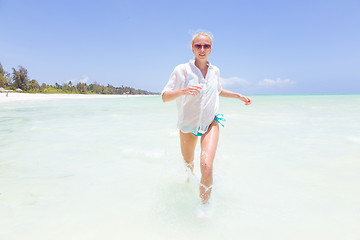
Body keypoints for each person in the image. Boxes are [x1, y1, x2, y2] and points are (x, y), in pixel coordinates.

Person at [161, 32, 252, 211]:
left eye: (206, 46)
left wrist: (238, 96)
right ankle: (189, 185)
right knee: (189, 166)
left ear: (211, 48)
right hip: (188, 125)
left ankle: (205, 207)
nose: (202, 49)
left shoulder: (215, 71)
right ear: (192, 48)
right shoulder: (182, 70)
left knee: (206, 164)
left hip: (211, 122)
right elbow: (165, 96)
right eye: (198, 46)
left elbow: (218, 90)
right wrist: (183, 91)